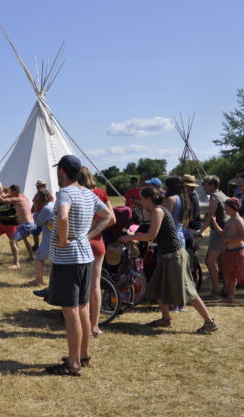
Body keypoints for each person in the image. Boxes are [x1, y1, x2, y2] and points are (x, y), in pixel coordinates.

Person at [45, 155, 113, 376]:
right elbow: (108, 216)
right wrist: (88, 235)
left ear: (62, 172)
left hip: (68, 261)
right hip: (85, 258)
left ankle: (73, 363)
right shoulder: (88, 193)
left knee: (70, 310)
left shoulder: (65, 193)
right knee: (83, 307)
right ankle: (83, 356)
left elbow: (63, 217)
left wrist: (64, 240)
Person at [118, 187, 217, 334]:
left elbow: (151, 235)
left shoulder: (158, 211)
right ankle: (166, 319)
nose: (140, 201)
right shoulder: (156, 210)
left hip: (174, 256)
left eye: (142, 198)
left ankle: (209, 322)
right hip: (167, 256)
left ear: (148, 199)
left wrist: (129, 237)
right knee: (158, 287)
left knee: (188, 291)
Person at [78, 167, 116, 337]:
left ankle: (80, 323)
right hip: (97, 242)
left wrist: (88, 229)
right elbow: (112, 219)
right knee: (95, 285)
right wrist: (96, 229)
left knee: (79, 285)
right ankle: (94, 326)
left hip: (80, 242)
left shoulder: (76, 193)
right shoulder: (101, 193)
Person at [212, 197, 244, 307]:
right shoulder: (229, 221)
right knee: (231, 275)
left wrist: (229, 240)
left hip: (239, 252)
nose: (225, 209)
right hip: (229, 252)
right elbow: (222, 233)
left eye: (226, 207)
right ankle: (230, 297)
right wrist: (214, 221)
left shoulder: (239, 220)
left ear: (233, 208)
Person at [197, 175, 228, 298]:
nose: (203, 186)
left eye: (205, 184)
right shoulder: (222, 194)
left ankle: (216, 291)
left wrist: (200, 231)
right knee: (222, 262)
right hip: (225, 232)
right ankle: (226, 289)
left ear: (213, 185)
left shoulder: (214, 197)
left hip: (219, 233)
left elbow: (210, 217)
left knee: (209, 261)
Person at [0, 185, 35, 266]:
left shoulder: (17, 199)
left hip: (26, 225)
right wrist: (2, 194)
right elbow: (6, 196)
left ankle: (16, 263)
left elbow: (2, 200)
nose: (9, 193)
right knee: (25, 239)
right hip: (29, 224)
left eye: (10, 192)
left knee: (12, 241)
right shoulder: (22, 196)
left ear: (14, 192)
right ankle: (31, 256)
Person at [30, 189, 54, 286]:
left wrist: (36, 212)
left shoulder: (46, 209)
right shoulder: (53, 205)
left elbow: (38, 222)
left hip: (49, 238)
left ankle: (39, 280)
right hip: (55, 236)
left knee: (39, 256)